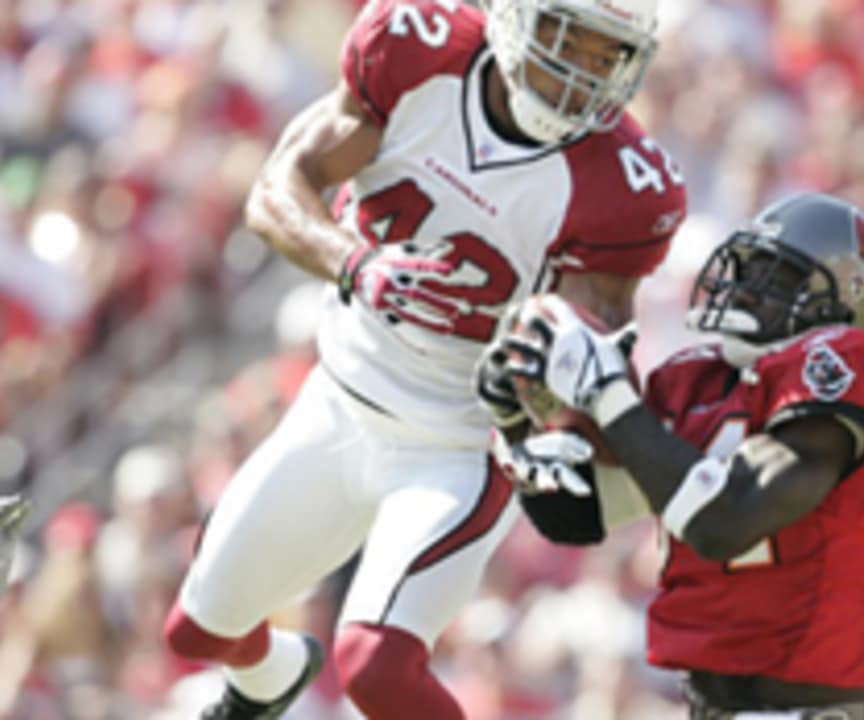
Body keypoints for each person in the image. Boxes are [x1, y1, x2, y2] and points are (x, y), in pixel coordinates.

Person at [162, 0, 686, 718]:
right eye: (570, 41)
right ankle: (271, 680)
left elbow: (588, 350)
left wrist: (549, 409)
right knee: (197, 631)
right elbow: (276, 190)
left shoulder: (623, 187)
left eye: (608, 57)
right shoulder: (416, 50)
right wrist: (359, 265)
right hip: (339, 399)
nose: (582, 74)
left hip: (459, 443)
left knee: (377, 670)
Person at [488, 193, 864, 719]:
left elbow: (726, 520)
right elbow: (579, 517)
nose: (743, 290)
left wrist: (607, 394)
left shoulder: (855, 364)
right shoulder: (696, 379)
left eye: (776, 276)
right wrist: (516, 419)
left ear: (843, 302)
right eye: (744, 268)